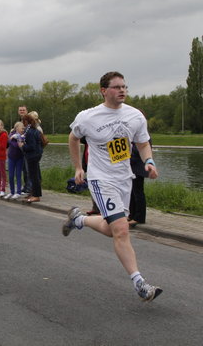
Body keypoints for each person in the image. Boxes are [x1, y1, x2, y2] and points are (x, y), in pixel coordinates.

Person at [62, 71, 162, 302]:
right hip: (101, 179)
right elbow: (73, 138)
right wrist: (79, 167)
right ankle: (140, 283)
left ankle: (79, 220)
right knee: (122, 229)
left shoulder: (135, 116)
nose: (122, 90)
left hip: (124, 178)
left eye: (124, 86)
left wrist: (149, 161)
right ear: (104, 91)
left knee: (112, 229)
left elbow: (143, 143)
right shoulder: (88, 117)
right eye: (116, 87)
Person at [19, 114, 43, 203]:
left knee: (34, 176)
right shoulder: (33, 130)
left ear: (26, 121)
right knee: (34, 175)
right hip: (36, 155)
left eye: (23, 121)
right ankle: (34, 194)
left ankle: (36, 195)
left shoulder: (30, 132)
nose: (22, 123)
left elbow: (32, 146)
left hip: (33, 156)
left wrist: (23, 146)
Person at [128, 141, 150, 227]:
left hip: (138, 169)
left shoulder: (143, 137)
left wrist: (128, 155)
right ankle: (132, 215)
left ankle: (139, 218)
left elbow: (141, 151)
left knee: (138, 193)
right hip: (132, 169)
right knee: (132, 193)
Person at [5, 122, 25, 200]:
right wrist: (16, 139)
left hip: (20, 158)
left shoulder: (22, 136)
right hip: (11, 158)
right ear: (17, 128)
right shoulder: (11, 134)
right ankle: (12, 192)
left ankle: (18, 192)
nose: (23, 129)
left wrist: (18, 138)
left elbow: (19, 145)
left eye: (23, 128)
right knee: (11, 175)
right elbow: (11, 143)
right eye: (21, 128)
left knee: (18, 175)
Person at [18, 105, 31, 195]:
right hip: (21, 149)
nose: (22, 111)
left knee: (29, 169)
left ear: (27, 111)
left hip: (29, 149)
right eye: (20, 110)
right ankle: (26, 186)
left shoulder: (30, 121)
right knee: (24, 169)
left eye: (23, 110)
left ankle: (30, 187)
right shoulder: (19, 121)